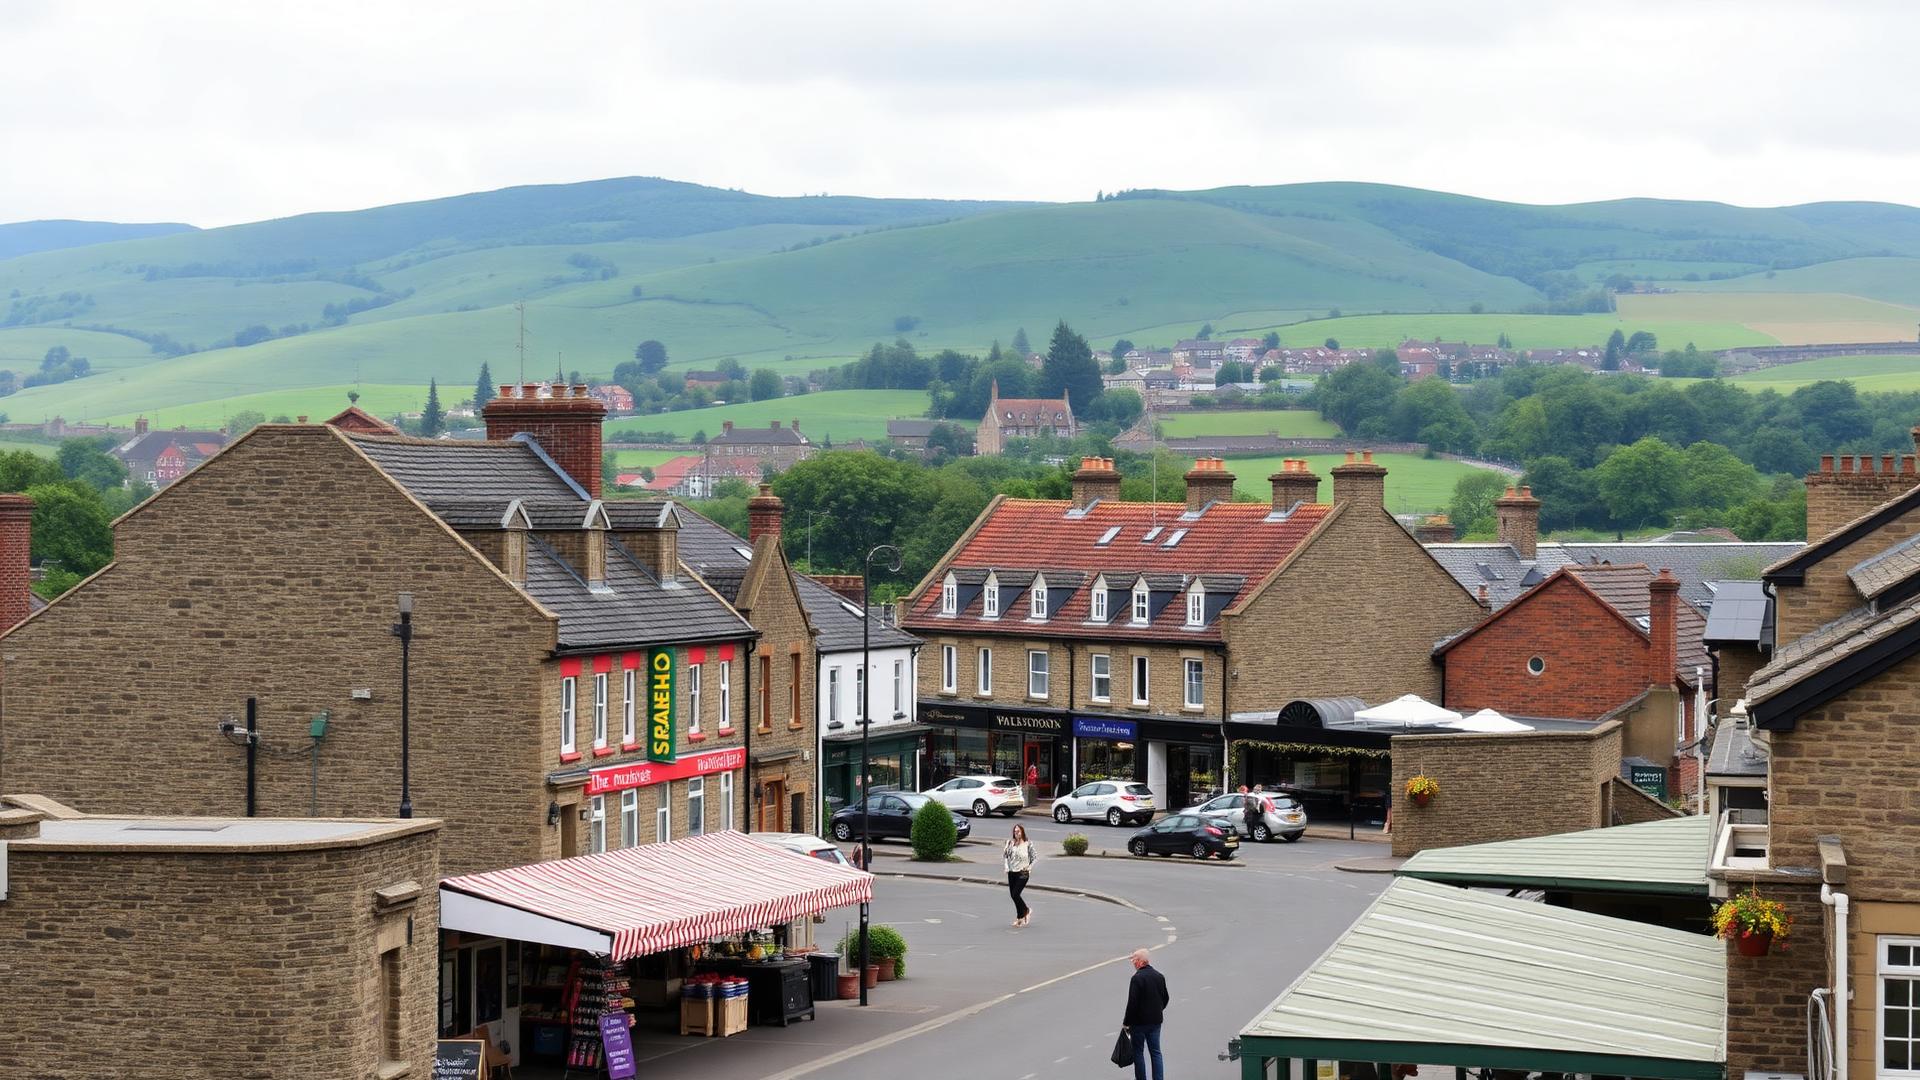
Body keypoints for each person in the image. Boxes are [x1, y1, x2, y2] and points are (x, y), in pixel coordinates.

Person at [1121, 948, 1168, 1080]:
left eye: (1134, 960)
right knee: (1156, 1052)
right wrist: (1157, 1011)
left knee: (1138, 1052)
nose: (1133, 963)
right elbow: (1165, 998)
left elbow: (1132, 1004)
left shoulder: (1137, 979)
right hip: (1155, 1022)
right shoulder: (1159, 976)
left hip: (1139, 1023)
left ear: (1141, 962)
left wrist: (1126, 1022)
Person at [1003, 824, 1035, 926]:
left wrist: (1030, 867)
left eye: (1019, 831)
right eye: (1015, 831)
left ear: (1022, 832)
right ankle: (1019, 917)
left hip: (1023, 872)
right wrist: (1006, 867)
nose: (1017, 833)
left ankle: (1026, 910)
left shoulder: (1028, 844)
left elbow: (1034, 857)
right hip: (1012, 872)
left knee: (1016, 894)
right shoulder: (1010, 843)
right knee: (1013, 896)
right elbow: (1005, 856)